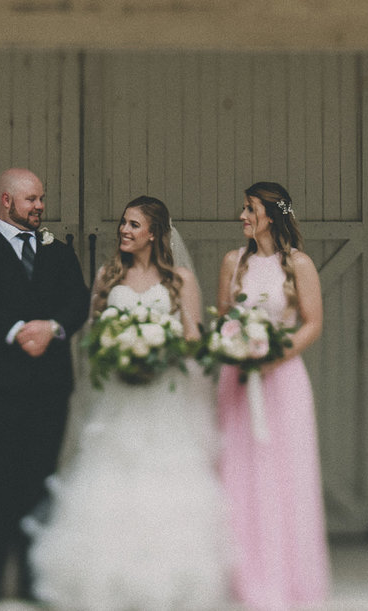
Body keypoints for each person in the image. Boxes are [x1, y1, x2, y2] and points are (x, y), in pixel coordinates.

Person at [28, 196, 228, 611]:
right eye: (123, 223)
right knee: (111, 480)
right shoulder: (108, 275)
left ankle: (169, 580)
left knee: (163, 484)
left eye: (134, 224)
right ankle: (106, 580)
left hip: (164, 397)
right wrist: (120, 352)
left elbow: (194, 340)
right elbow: (92, 335)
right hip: (119, 398)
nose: (124, 230)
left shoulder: (181, 280)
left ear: (154, 233)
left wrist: (160, 351)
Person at [0, 168, 92, 605]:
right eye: (31, 199)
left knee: (39, 482)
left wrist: (51, 327)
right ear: (6, 201)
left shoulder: (59, 252)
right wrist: (16, 331)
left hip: (48, 386)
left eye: (42, 199)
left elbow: (79, 301)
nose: (40, 207)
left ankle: (34, 580)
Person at [214, 181, 329, 611]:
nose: (242, 216)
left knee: (283, 476)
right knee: (238, 474)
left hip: (283, 381)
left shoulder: (298, 264)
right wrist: (238, 348)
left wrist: (273, 355)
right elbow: (223, 319)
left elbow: (312, 324)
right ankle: (242, 578)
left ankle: (286, 579)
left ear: (271, 215)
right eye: (243, 208)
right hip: (238, 381)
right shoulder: (232, 262)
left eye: (249, 209)